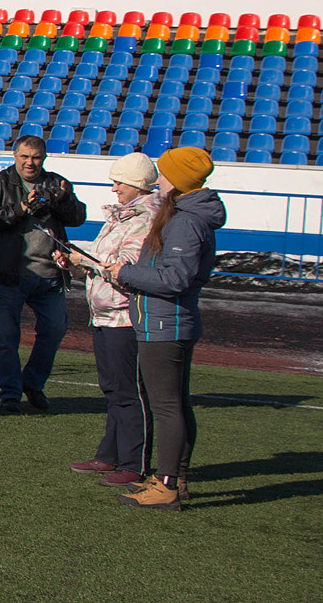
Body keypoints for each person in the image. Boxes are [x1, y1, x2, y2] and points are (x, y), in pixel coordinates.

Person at [65, 146, 224, 509]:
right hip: (165, 319)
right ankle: (173, 478)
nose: (159, 179)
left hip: (164, 322)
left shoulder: (184, 220)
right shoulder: (183, 215)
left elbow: (175, 277)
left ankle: (166, 482)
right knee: (173, 405)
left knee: (166, 407)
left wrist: (124, 272)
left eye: (165, 174)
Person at [67, 152, 162, 490]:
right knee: (112, 388)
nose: (114, 189)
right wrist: (76, 263)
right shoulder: (122, 217)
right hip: (105, 314)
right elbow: (104, 262)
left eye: (119, 182)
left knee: (129, 391)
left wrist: (86, 259)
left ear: (137, 184)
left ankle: (134, 463)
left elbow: (127, 264)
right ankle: (110, 453)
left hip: (125, 315)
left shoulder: (146, 219)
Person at [0, 134, 86, 414]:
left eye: (35, 157)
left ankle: (33, 383)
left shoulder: (56, 183)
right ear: (15, 157)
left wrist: (62, 200)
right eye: (25, 157)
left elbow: (78, 217)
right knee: (8, 337)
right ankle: (10, 393)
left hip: (49, 273)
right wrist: (20, 208)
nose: (30, 163)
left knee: (54, 329)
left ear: (44, 158)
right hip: (8, 273)